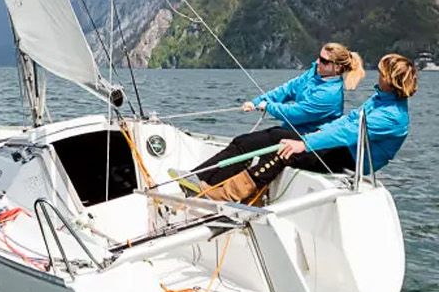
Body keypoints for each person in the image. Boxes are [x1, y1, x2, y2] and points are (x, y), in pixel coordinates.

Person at [185, 53, 416, 203]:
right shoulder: (381, 99)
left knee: (285, 153)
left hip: (350, 158)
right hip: (343, 147)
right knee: (278, 140)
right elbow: (347, 122)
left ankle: (226, 195)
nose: (379, 75)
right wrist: (313, 137)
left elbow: (347, 132)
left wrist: (304, 143)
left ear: (391, 79)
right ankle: (217, 183)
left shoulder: (392, 116)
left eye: (382, 73)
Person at [176, 42, 363, 192]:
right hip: (291, 131)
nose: (318, 61)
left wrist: (269, 107)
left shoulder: (330, 94)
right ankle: (202, 181)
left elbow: (297, 113)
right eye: (319, 57)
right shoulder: (315, 72)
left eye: (324, 61)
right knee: (243, 143)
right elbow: (288, 89)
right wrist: (257, 101)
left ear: (337, 68)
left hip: (307, 139)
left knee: (246, 144)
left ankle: (202, 183)